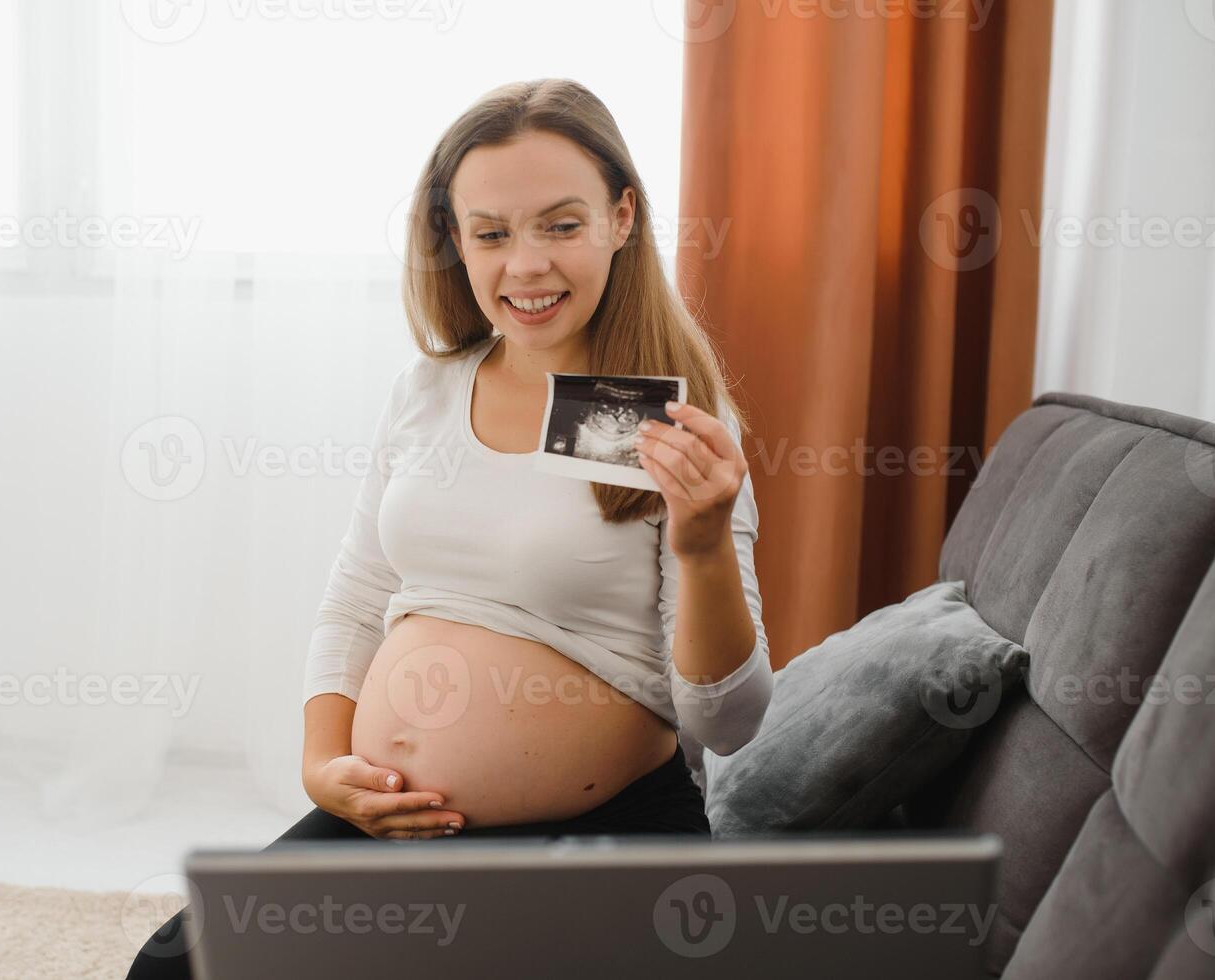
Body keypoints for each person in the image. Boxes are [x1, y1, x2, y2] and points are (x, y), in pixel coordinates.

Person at [126, 77, 774, 979]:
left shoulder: (678, 428)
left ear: (622, 218)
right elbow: (357, 599)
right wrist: (323, 769)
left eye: (560, 224)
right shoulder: (425, 393)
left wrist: (700, 549)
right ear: (454, 242)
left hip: (600, 831)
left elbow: (729, 722)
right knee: (174, 968)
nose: (527, 266)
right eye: (492, 233)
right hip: (395, 823)